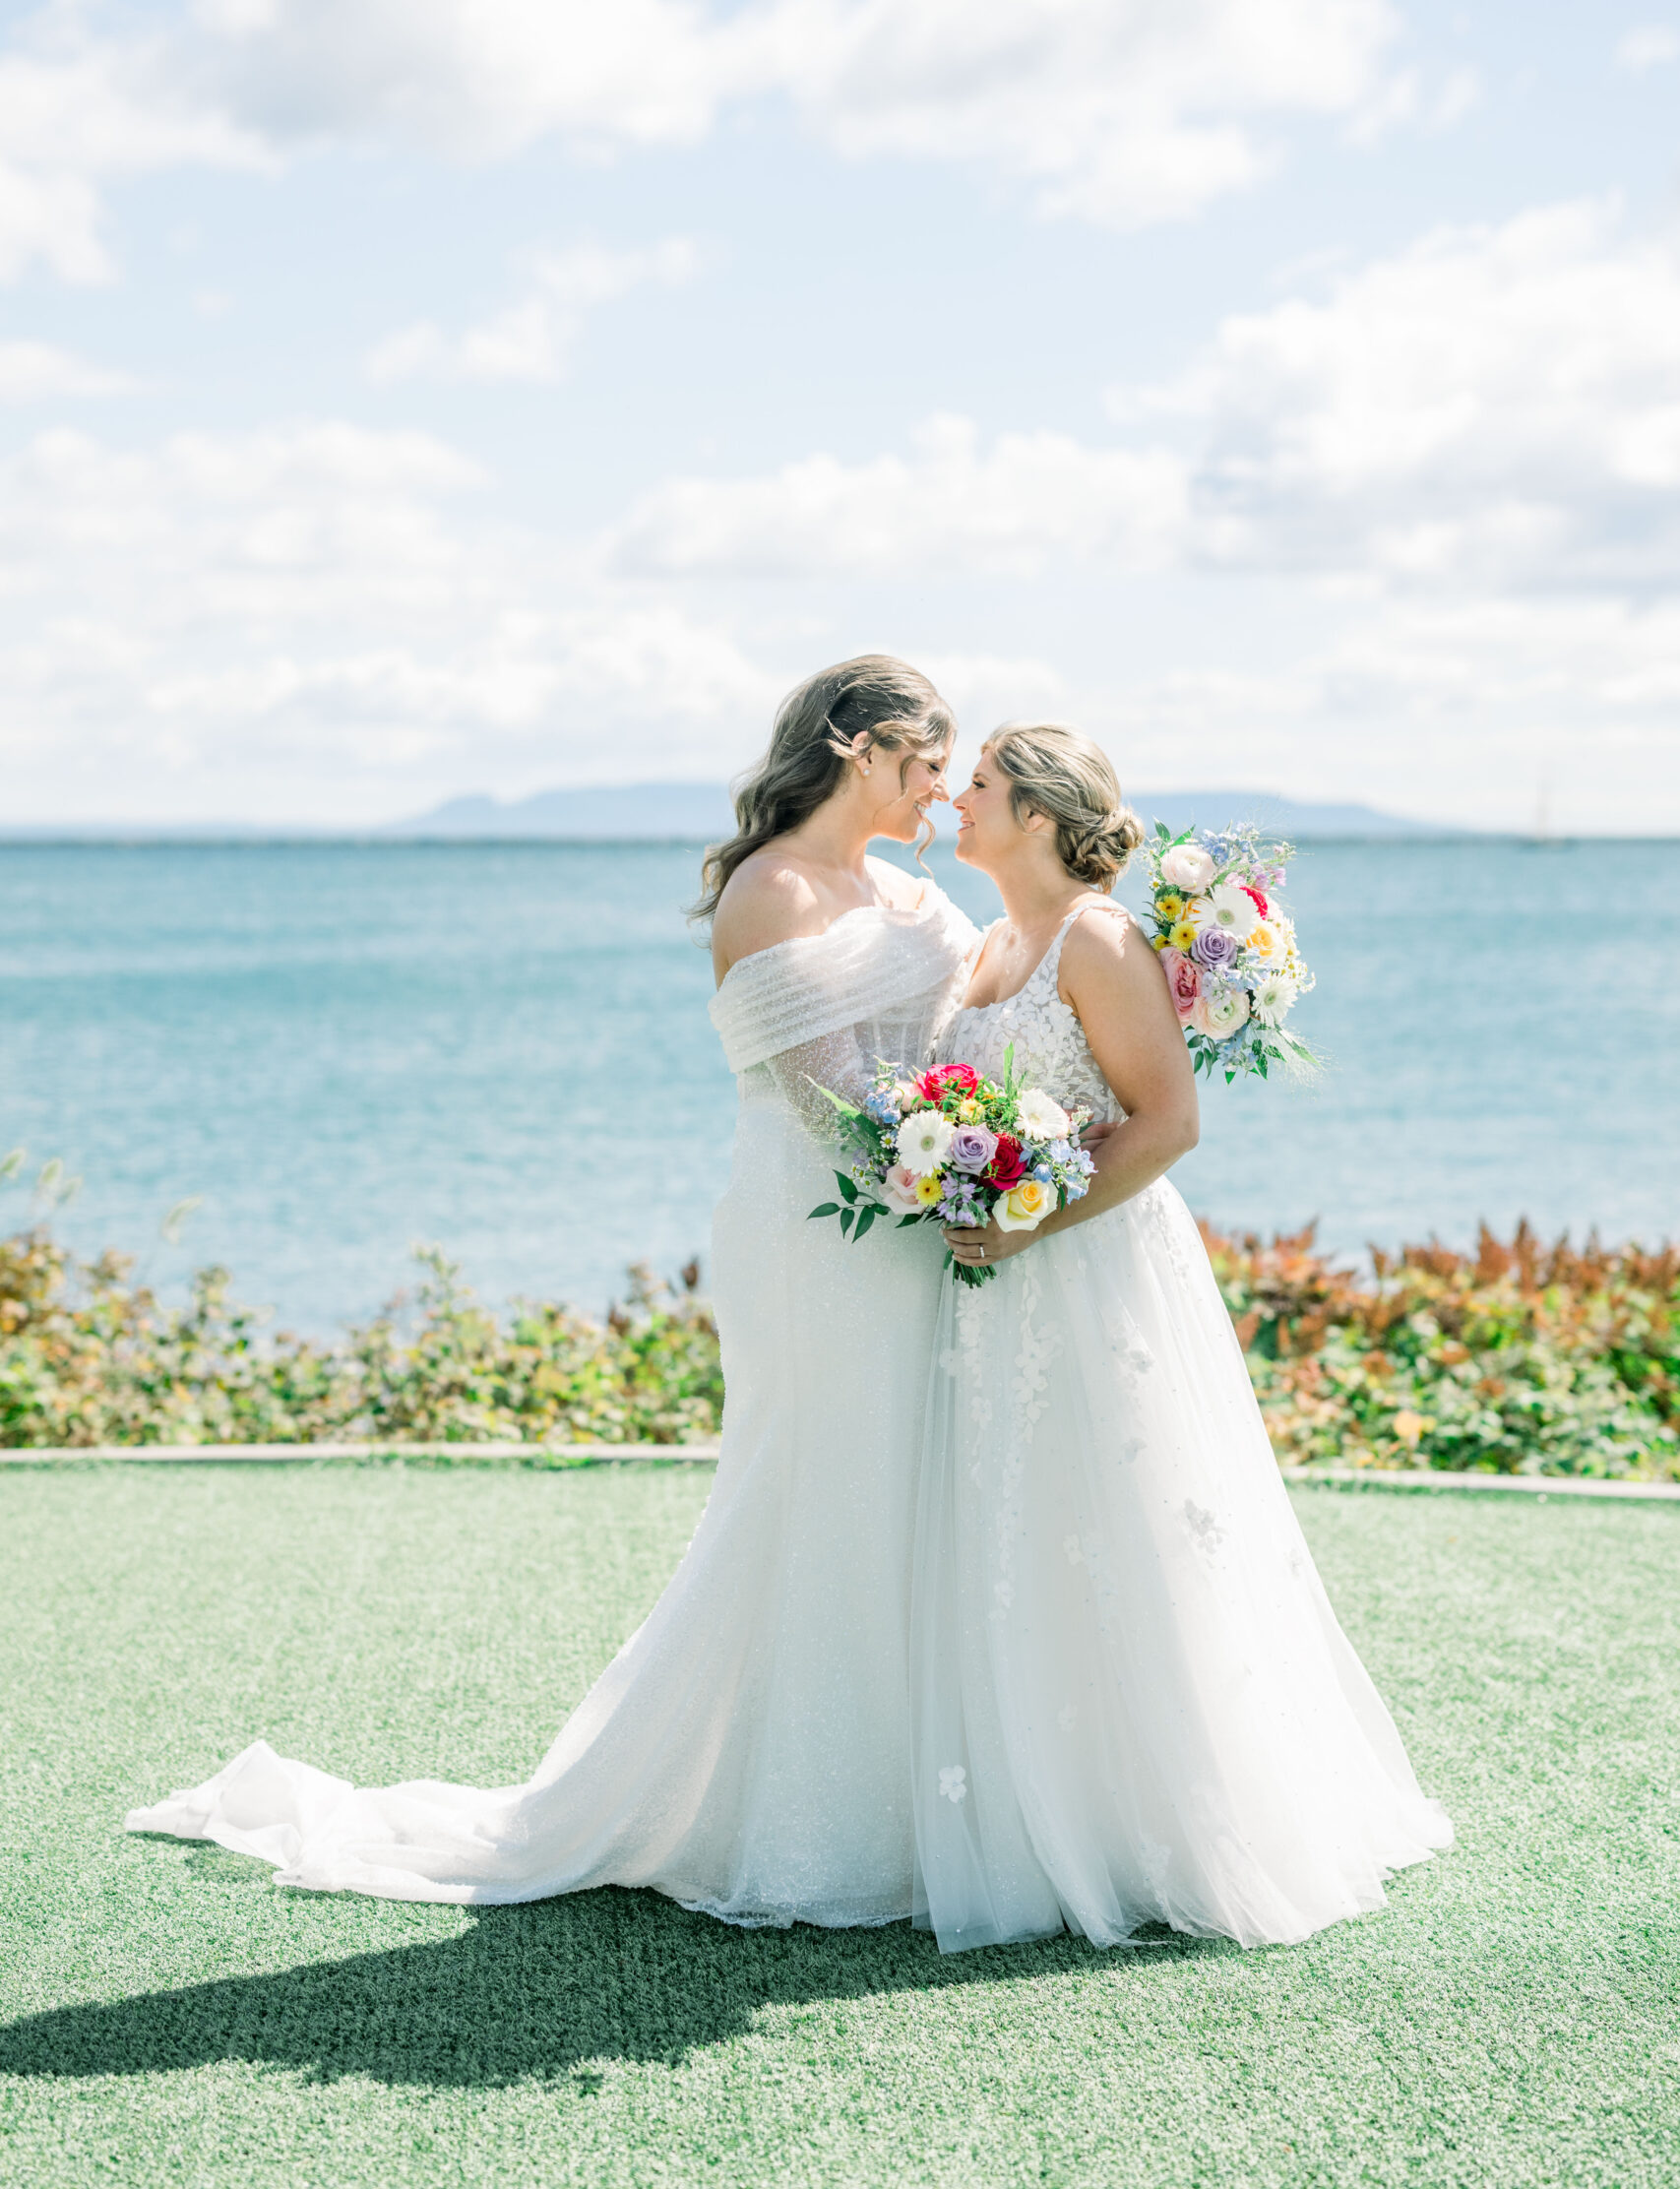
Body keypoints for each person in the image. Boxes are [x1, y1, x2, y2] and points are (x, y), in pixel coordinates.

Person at [127, 655, 980, 1924]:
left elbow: (974, 1030)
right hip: (820, 1239)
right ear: (859, 749)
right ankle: (789, 1808)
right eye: (925, 764)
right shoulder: (769, 889)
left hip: (919, 1233)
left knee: (902, 1485)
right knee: (814, 1485)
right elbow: (840, 1109)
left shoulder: (908, 889)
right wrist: (970, 1177)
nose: (942, 791)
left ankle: (911, 1790)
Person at [908, 722, 1452, 1953]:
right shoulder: (992, 942)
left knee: (1123, 1526)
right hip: (996, 1287)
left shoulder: (1098, 939)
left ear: (1037, 815)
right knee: (1021, 1530)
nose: (957, 799)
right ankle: (1031, 1802)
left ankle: (1156, 1823)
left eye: (979, 784)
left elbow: (1167, 1121)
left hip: (1088, 1272)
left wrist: (1033, 1223)